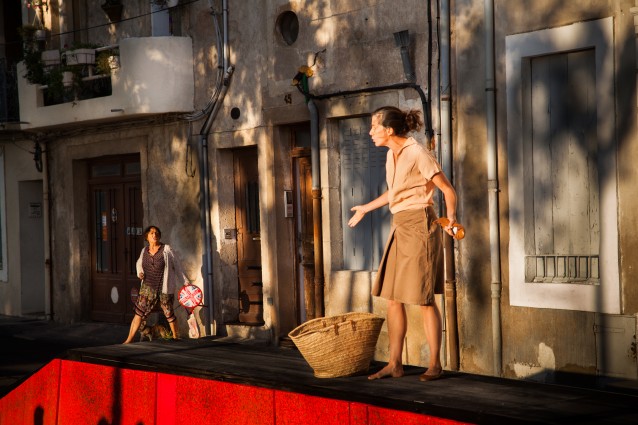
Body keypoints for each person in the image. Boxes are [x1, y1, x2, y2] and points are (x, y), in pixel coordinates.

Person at [348, 106, 458, 382]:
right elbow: (395, 193)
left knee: (422, 298)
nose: (370, 131)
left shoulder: (417, 153)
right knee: (393, 298)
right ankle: (394, 363)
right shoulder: (390, 155)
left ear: (389, 130)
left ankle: (435, 364)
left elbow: (447, 190)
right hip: (400, 225)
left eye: (374, 126)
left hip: (421, 224)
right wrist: (366, 208)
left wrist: (452, 220)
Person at [123, 225, 190, 344]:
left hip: (164, 289)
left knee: (169, 314)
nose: (154, 235)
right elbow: (139, 264)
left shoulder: (166, 249)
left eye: (156, 233)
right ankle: (128, 340)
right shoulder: (144, 251)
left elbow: (178, 267)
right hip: (147, 289)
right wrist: (140, 273)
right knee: (138, 314)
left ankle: (176, 337)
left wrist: (185, 283)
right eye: (151, 233)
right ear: (147, 237)